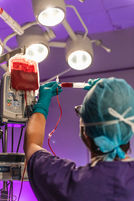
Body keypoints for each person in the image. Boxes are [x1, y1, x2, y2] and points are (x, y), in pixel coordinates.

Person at [24, 77, 134, 201]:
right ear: (129, 128)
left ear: (85, 132)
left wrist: (41, 105)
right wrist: (115, 98)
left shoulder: (64, 184)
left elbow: (32, 144)